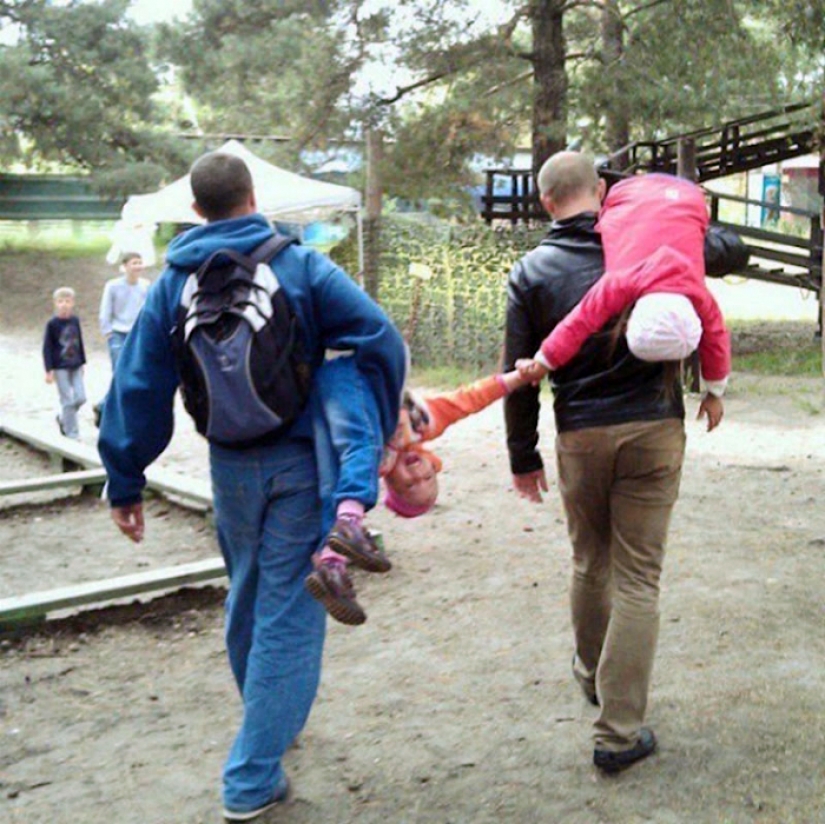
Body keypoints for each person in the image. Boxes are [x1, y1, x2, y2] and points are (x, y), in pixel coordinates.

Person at [97, 151, 406, 821]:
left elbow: (137, 386)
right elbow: (379, 338)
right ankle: (250, 777)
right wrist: (381, 426)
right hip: (299, 464)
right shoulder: (298, 266)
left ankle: (270, 717)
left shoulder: (169, 283)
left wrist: (125, 480)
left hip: (228, 466)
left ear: (196, 209)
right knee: (290, 614)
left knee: (248, 595)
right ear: (251, 195)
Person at [503, 151, 747, 774]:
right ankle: (618, 732)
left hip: (580, 432)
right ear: (604, 189)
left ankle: (591, 675)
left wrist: (523, 454)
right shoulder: (650, 242)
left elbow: (524, 372)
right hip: (654, 427)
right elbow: (729, 248)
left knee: (591, 561)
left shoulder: (532, 270)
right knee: (638, 577)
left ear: (545, 202)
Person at [305, 363, 530, 624]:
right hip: (373, 367)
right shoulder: (424, 423)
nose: (416, 475)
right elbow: (471, 399)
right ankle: (334, 562)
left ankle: (332, 563)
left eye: (410, 485)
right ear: (432, 462)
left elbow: (330, 487)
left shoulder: (375, 465)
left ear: (390, 482)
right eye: (427, 477)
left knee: (342, 488)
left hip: (341, 384)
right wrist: (518, 378)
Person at [516, 173, 730, 428]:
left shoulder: (693, 292)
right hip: (628, 195)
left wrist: (542, 361)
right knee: (611, 221)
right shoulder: (623, 282)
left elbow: (717, 338)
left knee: (690, 220)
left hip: (686, 197)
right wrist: (543, 361)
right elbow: (577, 322)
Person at [94, 251, 150, 427]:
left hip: (137, 334)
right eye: (134, 263)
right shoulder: (113, 286)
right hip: (118, 333)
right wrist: (108, 331)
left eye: (140, 263)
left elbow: (148, 311)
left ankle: (104, 406)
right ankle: (115, 414)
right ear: (125, 266)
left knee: (134, 373)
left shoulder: (146, 286)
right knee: (120, 373)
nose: (138, 266)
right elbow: (105, 310)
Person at [42, 286, 87, 440]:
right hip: (59, 367)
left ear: (73, 303)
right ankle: (72, 433)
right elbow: (47, 347)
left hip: (75, 365)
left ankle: (63, 419)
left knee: (81, 397)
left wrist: (83, 362)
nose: (64, 304)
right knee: (67, 399)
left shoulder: (75, 320)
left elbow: (79, 341)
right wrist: (48, 370)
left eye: (67, 301)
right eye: (61, 301)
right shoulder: (52, 324)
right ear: (55, 303)